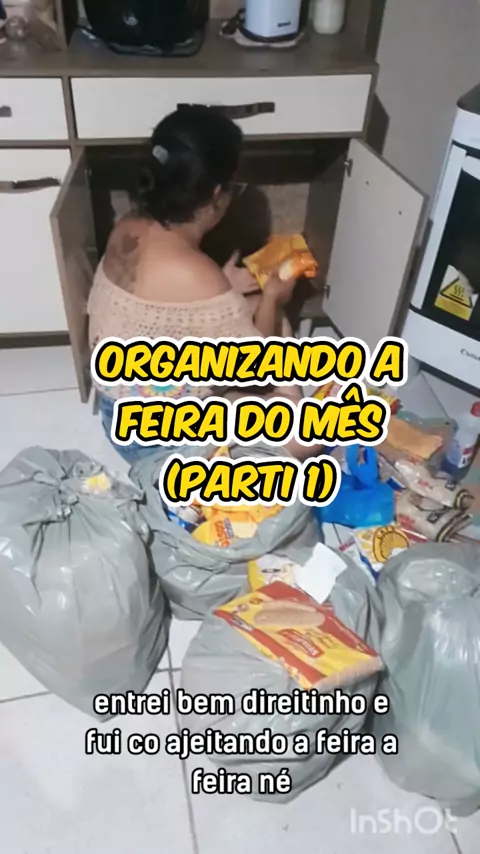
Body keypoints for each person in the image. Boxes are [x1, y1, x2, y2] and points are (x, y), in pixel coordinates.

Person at [88, 105, 314, 464]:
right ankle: (284, 414)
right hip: (156, 445)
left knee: (253, 308)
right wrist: (273, 297)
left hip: (115, 408)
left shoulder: (128, 225)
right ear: (216, 195)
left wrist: (227, 292)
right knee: (307, 440)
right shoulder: (196, 271)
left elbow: (162, 304)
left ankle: (276, 407)